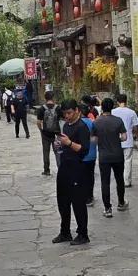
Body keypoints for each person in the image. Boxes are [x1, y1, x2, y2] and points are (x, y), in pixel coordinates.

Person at [53, 97, 90, 243]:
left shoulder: (82, 127)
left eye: (69, 113)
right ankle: (65, 231)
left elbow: (84, 150)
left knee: (78, 202)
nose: (67, 116)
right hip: (65, 165)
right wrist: (60, 143)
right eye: (65, 114)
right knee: (62, 201)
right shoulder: (66, 126)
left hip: (77, 168)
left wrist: (69, 143)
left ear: (76, 110)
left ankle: (82, 233)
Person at [93, 97, 128, 215]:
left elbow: (93, 139)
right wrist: (116, 139)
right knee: (119, 179)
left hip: (104, 156)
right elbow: (124, 137)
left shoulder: (96, 122)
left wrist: (100, 139)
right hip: (118, 155)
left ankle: (107, 208)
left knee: (105, 182)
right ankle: (121, 203)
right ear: (112, 107)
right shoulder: (118, 120)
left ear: (102, 108)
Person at [112, 90, 138, 188]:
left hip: (115, 140)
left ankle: (119, 180)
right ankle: (127, 181)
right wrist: (135, 135)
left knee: (117, 161)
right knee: (128, 160)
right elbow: (135, 127)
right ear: (126, 101)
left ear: (117, 102)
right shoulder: (131, 112)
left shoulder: (113, 112)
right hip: (128, 140)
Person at [35, 85, 59, 175]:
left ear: (45, 98)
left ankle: (46, 170)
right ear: (53, 98)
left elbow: (38, 122)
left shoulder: (42, 108)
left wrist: (41, 130)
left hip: (45, 133)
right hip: (56, 133)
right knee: (57, 152)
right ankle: (60, 168)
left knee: (46, 152)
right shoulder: (58, 108)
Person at [79, 96, 98, 205]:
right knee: (90, 176)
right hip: (91, 154)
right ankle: (90, 196)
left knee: (81, 176)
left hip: (80, 154)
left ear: (80, 112)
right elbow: (96, 138)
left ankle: (83, 195)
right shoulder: (92, 122)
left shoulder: (77, 123)